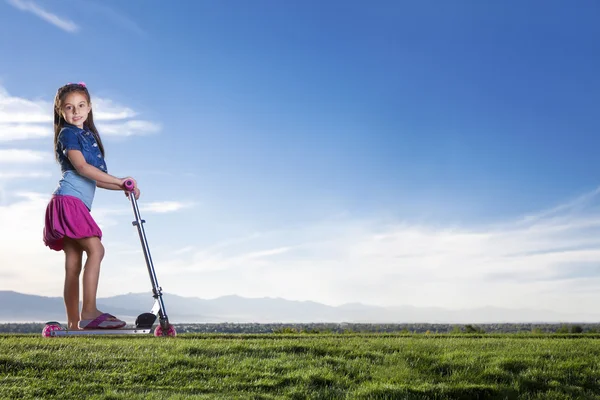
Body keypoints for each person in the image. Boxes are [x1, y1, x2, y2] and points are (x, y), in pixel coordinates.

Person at [43, 82, 141, 331]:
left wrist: (122, 187)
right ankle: (88, 312)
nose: (75, 111)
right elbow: (83, 168)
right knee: (96, 250)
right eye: (69, 107)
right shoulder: (68, 134)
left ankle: (74, 325)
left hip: (69, 204)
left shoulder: (87, 136)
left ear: (88, 108)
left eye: (81, 105)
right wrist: (120, 180)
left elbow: (95, 178)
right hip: (69, 202)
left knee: (73, 264)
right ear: (61, 111)